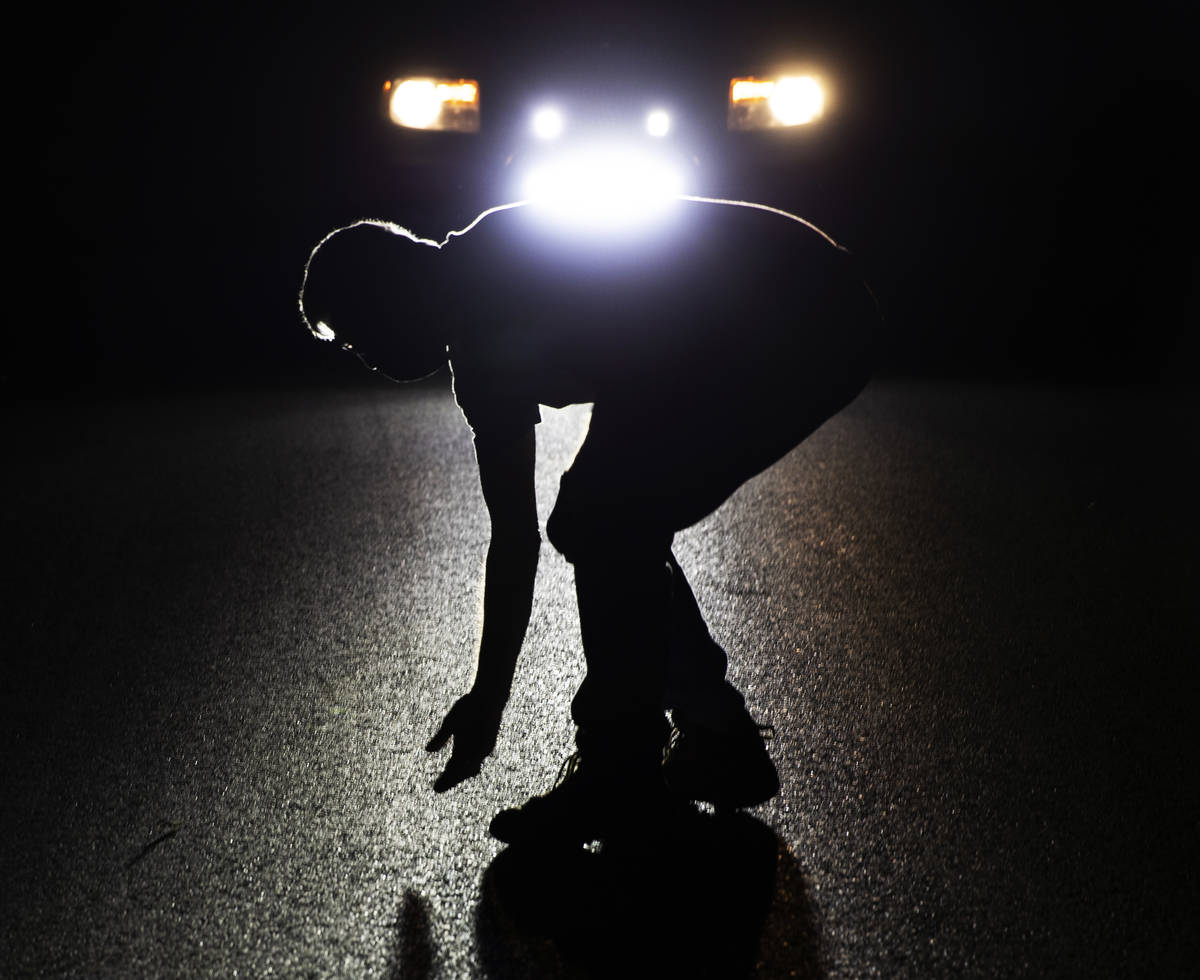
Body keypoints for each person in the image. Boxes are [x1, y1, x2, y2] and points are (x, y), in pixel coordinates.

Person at [303, 197, 879, 846]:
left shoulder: (502, 260)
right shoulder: (477, 346)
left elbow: (655, 325)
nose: (366, 360)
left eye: (354, 335)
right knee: (609, 518)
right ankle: (712, 737)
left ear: (387, 292)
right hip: (787, 314)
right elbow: (513, 542)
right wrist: (487, 702)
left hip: (804, 306)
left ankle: (624, 772)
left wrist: (508, 705)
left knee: (603, 515)